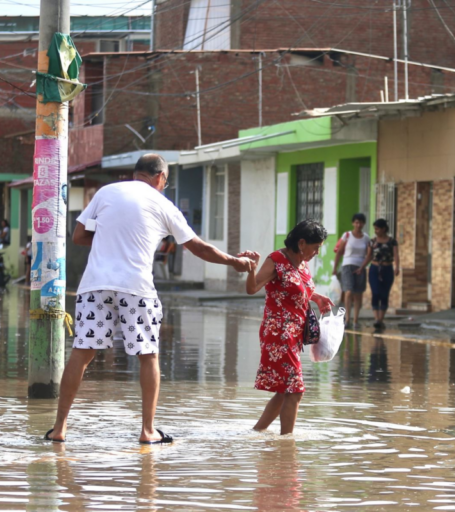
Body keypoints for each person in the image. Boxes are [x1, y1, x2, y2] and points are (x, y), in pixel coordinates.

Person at [45, 153, 254, 444]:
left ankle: (59, 429)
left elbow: (79, 235)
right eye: (165, 182)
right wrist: (235, 262)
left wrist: (110, 238)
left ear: (136, 173)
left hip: (95, 286)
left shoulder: (106, 192)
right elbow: (199, 248)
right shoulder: (162, 204)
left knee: (81, 354)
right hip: (136, 289)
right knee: (148, 356)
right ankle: (147, 431)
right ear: (160, 178)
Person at [244, 220, 335, 435]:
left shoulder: (302, 262)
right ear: (302, 243)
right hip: (278, 334)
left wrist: (316, 297)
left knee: (285, 391)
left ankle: (256, 432)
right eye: (316, 247)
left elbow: (296, 289)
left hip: (295, 335)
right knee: (295, 391)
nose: (316, 252)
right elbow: (252, 288)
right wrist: (252, 269)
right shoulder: (277, 260)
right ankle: (287, 444)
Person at [332, 213, 370, 326]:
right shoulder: (347, 235)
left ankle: (355, 320)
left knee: (358, 293)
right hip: (347, 266)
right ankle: (347, 319)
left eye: (361, 222)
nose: (358, 225)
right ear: (353, 223)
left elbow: (369, 254)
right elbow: (339, 252)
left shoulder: (366, 237)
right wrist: (334, 267)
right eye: (356, 222)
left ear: (364, 224)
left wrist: (363, 267)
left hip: (360, 267)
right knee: (348, 291)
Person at [362, 218, 400, 329]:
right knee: (376, 292)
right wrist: (361, 267)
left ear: (384, 229)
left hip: (387, 269)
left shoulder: (392, 241)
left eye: (378, 229)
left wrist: (397, 267)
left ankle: (381, 319)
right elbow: (369, 256)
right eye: (375, 229)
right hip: (374, 269)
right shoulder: (372, 242)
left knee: (384, 293)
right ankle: (376, 318)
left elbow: (396, 255)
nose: (376, 231)